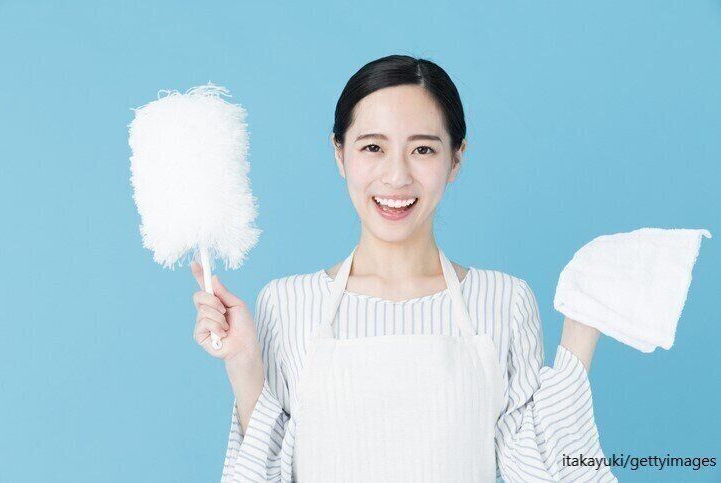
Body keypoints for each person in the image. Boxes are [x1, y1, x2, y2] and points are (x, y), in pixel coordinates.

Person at [190, 54, 616, 482]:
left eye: (423, 149)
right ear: (340, 154)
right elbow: (267, 471)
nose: (396, 176)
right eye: (373, 147)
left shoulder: (504, 300)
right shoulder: (286, 303)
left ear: (456, 159)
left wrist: (583, 326)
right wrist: (243, 362)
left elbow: (542, 471)